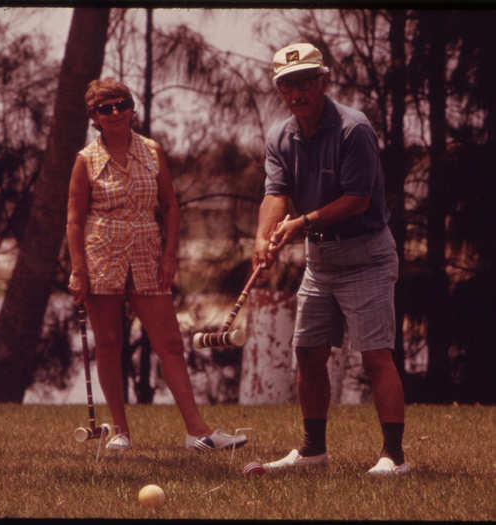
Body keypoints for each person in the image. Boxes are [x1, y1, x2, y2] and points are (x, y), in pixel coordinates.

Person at [66, 78, 247, 452]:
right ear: (94, 118)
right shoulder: (86, 160)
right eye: (105, 108)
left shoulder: (152, 151)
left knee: (169, 343)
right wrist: (78, 269)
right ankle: (120, 431)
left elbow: (170, 207)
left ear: (132, 109)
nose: (115, 113)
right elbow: (74, 219)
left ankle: (198, 431)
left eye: (121, 104)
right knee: (109, 345)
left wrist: (169, 256)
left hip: (148, 253)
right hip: (102, 254)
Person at [253, 43, 409, 475]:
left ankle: (393, 457)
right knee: (307, 351)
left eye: (304, 81)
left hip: (367, 256)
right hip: (321, 260)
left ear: (323, 81)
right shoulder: (280, 136)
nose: (296, 91)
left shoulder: (353, 129)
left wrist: (299, 224)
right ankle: (312, 451)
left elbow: (358, 201)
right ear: (280, 90)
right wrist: (263, 237)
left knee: (376, 354)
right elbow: (275, 194)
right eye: (287, 84)